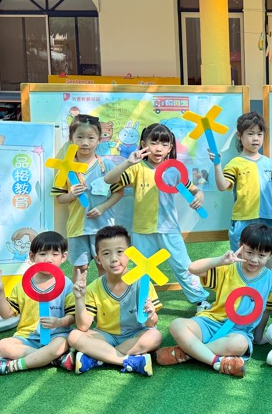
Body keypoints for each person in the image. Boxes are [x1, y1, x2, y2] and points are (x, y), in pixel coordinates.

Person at [104, 123, 210, 310]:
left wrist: (200, 195)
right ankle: (141, 305)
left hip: (169, 229)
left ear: (170, 148)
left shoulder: (174, 170)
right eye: (153, 143)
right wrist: (129, 162)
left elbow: (194, 190)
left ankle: (200, 300)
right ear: (144, 144)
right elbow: (108, 179)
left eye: (164, 144)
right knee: (140, 270)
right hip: (142, 230)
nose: (158, 148)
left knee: (183, 266)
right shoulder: (137, 168)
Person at [157, 224, 272, 378]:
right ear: (240, 246)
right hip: (210, 322)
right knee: (177, 325)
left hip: (238, 332)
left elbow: (266, 310)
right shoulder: (228, 268)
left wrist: (258, 336)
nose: (254, 259)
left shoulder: (271, 280)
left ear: (270, 254)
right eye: (249, 252)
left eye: (261, 255)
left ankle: (187, 353)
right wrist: (220, 260)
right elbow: (192, 269)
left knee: (240, 344)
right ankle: (216, 361)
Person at [0, 231, 75, 378]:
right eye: (43, 254)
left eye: (55, 254)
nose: (49, 259)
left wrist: (59, 322)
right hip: (27, 338)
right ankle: (53, 359)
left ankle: (12, 366)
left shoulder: (66, 284)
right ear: (32, 256)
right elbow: (6, 314)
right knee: (2, 346)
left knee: (61, 343)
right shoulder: (22, 285)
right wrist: (0, 293)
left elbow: (73, 316)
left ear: (63, 257)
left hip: (57, 335)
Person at [65, 226, 161, 376]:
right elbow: (83, 326)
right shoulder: (94, 287)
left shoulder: (142, 283)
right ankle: (129, 361)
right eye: (106, 253)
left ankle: (98, 358)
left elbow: (151, 323)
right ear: (98, 259)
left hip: (136, 334)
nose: (114, 258)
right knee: (74, 336)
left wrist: (151, 314)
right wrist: (79, 299)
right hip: (105, 336)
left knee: (155, 336)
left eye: (120, 252)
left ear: (130, 254)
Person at [52, 114, 125, 282]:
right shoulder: (65, 168)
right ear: (71, 139)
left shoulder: (107, 165)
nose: (85, 142)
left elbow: (119, 192)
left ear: (99, 140)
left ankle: (106, 296)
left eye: (91, 138)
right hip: (77, 227)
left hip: (103, 227)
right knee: (80, 267)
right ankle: (79, 297)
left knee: (104, 265)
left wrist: (102, 208)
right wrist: (71, 194)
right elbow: (59, 199)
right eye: (80, 137)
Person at [211, 112, 272, 252]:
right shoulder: (235, 163)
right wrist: (217, 165)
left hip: (267, 218)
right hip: (243, 219)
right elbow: (222, 186)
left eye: (259, 134)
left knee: (264, 255)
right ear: (239, 136)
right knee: (241, 256)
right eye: (250, 134)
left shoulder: (268, 163)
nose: (255, 138)